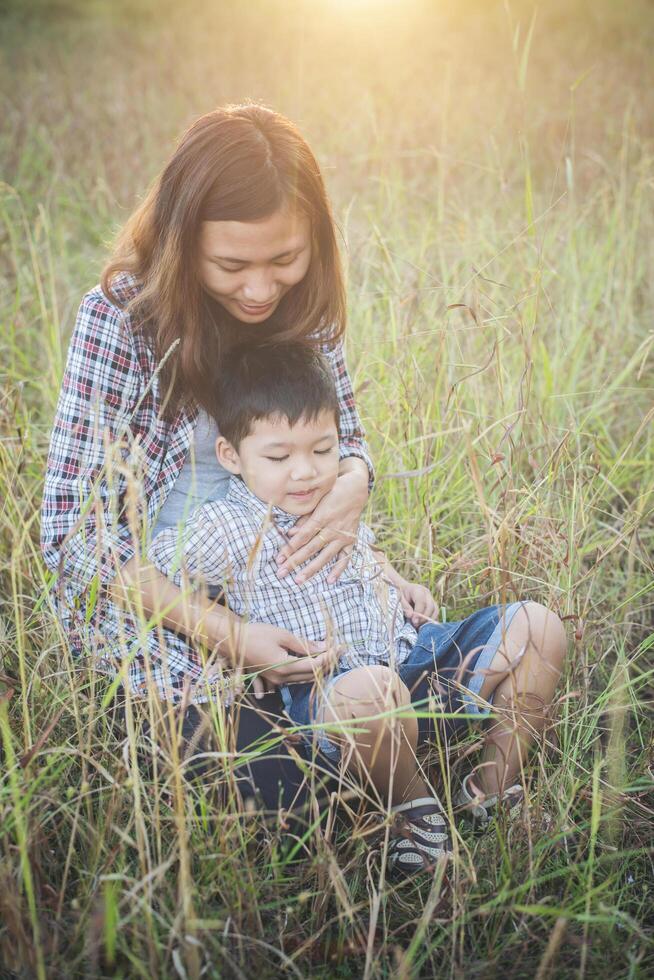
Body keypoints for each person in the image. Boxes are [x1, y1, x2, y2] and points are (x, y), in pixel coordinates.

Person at [40, 103, 567, 859]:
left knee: (527, 638)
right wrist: (234, 637)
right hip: (185, 626)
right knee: (277, 805)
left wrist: (355, 481)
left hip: (342, 624)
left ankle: (466, 785)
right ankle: (363, 755)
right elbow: (72, 539)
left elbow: (346, 439)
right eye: (230, 266)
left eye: (283, 260)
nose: (260, 290)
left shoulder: (305, 306)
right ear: (181, 243)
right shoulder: (119, 320)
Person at [148, 341, 566, 877]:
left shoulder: (332, 496)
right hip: (336, 692)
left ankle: (490, 788)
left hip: (414, 656)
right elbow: (153, 572)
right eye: (279, 457)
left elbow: (362, 549)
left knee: (540, 627)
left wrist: (400, 581)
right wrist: (229, 642)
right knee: (372, 693)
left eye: (323, 450)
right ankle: (413, 810)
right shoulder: (222, 527)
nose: (306, 473)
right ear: (231, 455)